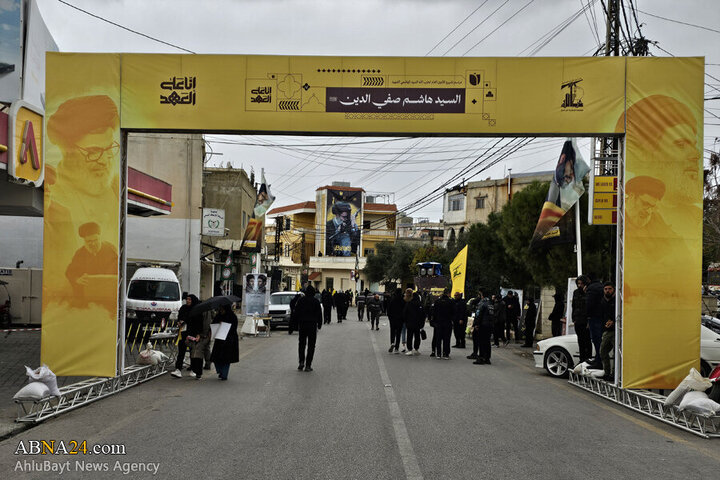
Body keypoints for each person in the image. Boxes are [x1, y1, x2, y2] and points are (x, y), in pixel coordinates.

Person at [64, 222, 118, 313]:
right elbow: (70, 272)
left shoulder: (111, 250)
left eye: (95, 240)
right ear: (84, 241)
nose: (93, 244)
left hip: (108, 296)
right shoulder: (80, 254)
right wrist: (77, 279)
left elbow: (118, 271)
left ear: (100, 237)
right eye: (89, 241)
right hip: (87, 296)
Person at [292, 285, 322, 372]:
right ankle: (308, 365)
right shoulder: (316, 301)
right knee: (311, 345)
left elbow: (296, 312)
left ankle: (301, 362)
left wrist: (295, 324)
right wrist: (319, 324)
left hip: (302, 325)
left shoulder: (301, 300)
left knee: (302, 344)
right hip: (312, 326)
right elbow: (319, 314)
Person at [171, 293, 198, 378]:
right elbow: (179, 317)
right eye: (187, 299)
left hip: (192, 333)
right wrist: (179, 322)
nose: (188, 301)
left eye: (190, 299)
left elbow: (196, 321)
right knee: (181, 351)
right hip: (183, 332)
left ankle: (193, 369)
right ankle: (178, 370)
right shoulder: (183, 308)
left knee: (192, 352)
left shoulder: (196, 309)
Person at [210, 304, 239, 380]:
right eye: (220, 308)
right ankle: (220, 371)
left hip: (229, 340)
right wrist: (218, 323)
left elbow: (234, 328)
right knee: (216, 357)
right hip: (219, 339)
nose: (221, 310)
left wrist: (225, 324)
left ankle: (224, 375)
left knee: (226, 359)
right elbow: (213, 324)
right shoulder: (218, 315)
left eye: (222, 309)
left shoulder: (232, 316)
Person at [584, 276, 604, 367]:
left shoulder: (591, 288)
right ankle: (598, 359)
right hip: (602, 316)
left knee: (596, 340)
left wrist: (587, 316)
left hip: (594, 317)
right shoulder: (601, 286)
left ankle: (598, 361)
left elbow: (589, 304)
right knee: (599, 340)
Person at [572, 275, 593, 364]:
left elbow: (590, 307)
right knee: (580, 341)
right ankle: (582, 359)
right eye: (578, 283)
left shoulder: (588, 292)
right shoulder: (575, 292)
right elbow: (573, 305)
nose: (579, 285)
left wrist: (589, 321)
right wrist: (574, 318)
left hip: (586, 320)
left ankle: (588, 359)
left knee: (587, 341)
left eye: (581, 283)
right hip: (578, 319)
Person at [187, 307, 211, 380]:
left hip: (202, 335)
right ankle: (196, 369)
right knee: (196, 354)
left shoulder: (205, 311)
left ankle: (200, 372)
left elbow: (206, 324)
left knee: (201, 353)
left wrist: (204, 335)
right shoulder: (197, 312)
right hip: (197, 336)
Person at [599, 282, 616, 381]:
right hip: (606, 330)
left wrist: (613, 321)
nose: (607, 291)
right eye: (605, 289)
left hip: (615, 330)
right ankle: (607, 372)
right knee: (603, 351)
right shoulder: (603, 301)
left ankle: (614, 374)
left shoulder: (617, 300)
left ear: (613, 289)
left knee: (615, 354)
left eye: (609, 289)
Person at [471, 289, 493, 365]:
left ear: (482, 295)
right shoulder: (490, 303)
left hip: (483, 325)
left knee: (481, 342)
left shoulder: (482, 303)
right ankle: (487, 358)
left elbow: (478, 314)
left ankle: (481, 358)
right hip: (489, 325)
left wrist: (476, 324)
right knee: (487, 342)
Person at [431, 288, 454, 359]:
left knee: (438, 338)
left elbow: (433, 312)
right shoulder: (451, 302)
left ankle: (438, 353)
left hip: (438, 322)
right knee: (446, 338)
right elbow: (454, 312)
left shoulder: (437, 301)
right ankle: (445, 353)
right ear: (448, 293)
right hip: (447, 322)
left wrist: (434, 321)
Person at [403, 289, 424, 356]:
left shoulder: (409, 303)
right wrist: (422, 323)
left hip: (410, 323)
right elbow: (423, 314)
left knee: (409, 336)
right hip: (417, 324)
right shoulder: (420, 304)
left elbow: (404, 313)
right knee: (417, 336)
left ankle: (410, 349)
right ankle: (416, 349)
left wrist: (405, 321)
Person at [387, 288, 405, 353]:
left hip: (392, 319)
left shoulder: (392, 299)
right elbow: (404, 310)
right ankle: (397, 348)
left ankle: (392, 343)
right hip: (400, 320)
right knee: (398, 334)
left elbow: (388, 309)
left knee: (392, 332)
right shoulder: (403, 300)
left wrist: (390, 317)